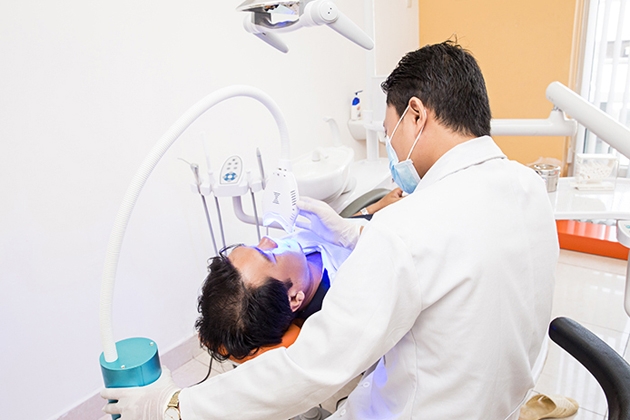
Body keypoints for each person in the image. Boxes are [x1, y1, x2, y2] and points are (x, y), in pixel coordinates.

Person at [102, 40, 559, 420]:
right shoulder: (529, 187)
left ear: (417, 115)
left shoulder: (405, 230)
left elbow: (309, 369)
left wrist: (175, 405)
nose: (392, 148)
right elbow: (454, 253)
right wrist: (352, 234)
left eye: (390, 132)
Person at [196, 187, 403, 362]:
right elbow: (404, 252)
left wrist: (375, 208)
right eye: (270, 255)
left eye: (254, 246)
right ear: (295, 298)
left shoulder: (293, 264)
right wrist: (360, 230)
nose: (267, 240)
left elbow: (339, 232)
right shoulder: (350, 290)